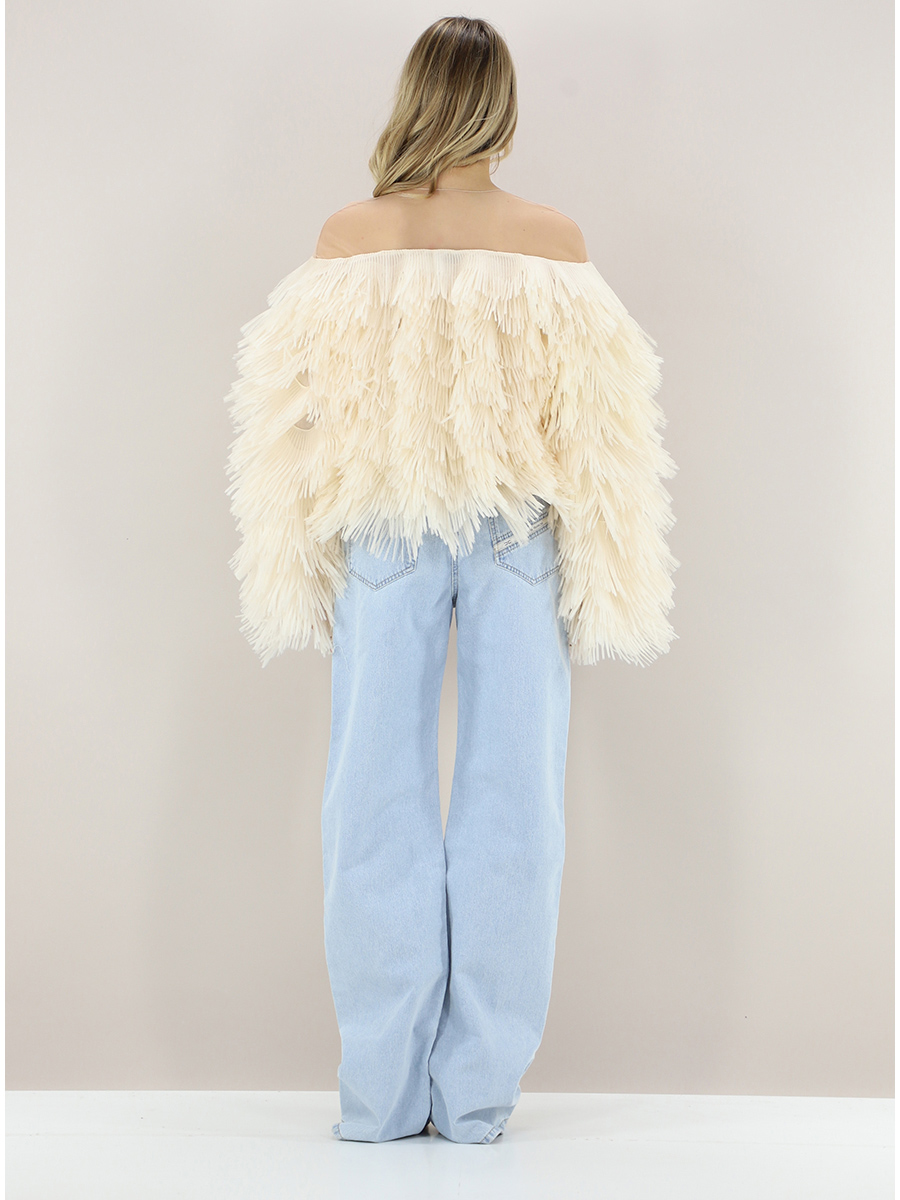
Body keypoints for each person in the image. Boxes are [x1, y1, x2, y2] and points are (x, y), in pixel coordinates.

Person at [224, 15, 679, 1145]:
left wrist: (300, 551)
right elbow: (604, 432)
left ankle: (380, 1096)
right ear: (502, 108)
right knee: (515, 802)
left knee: (370, 797)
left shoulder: (351, 236)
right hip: (520, 528)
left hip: (385, 524)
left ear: (415, 96)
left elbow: (294, 418)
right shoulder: (553, 241)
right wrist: (611, 568)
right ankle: (476, 1099)